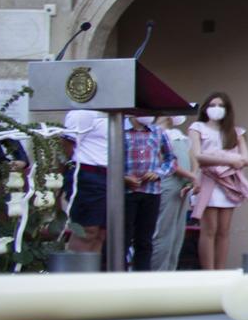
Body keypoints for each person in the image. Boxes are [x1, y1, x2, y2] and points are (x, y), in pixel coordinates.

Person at [188, 92, 248, 273]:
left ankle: (220, 271)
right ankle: (208, 272)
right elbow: (198, 156)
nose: (216, 109)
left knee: (224, 231)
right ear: (205, 108)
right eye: (212, 105)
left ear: (227, 109)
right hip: (208, 180)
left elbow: (246, 159)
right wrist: (228, 160)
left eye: (220, 105)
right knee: (209, 229)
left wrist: (222, 159)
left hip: (228, 183)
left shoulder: (235, 131)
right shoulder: (197, 127)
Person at [120, 115, 172, 272]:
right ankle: (118, 277)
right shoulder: (119, 130)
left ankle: (142, 277)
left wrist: (159, 173)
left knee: (145, 239)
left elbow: (171, 159)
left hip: (151, 192)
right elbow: (107, 159)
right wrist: (122, 177)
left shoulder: (158, 132)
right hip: (126, 192)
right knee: (123, 238)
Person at [61, 108, 110, 258]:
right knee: (87, 231)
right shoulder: (83, 112)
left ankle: (90, 277)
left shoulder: (111, 110)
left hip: (109, 176)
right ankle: (74, 277)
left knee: (101, 233)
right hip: (87, 174)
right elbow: (66, 144)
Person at [150, 114, 195, 270]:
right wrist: (192, 176)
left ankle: (171, 271)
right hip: (168, 183)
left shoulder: (179, 136)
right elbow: (166, 161)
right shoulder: (155, 133)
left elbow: (192, 159)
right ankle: (158, 274)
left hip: (184, 186)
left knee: (177, 233)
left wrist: (191, 179)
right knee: (163, 232)